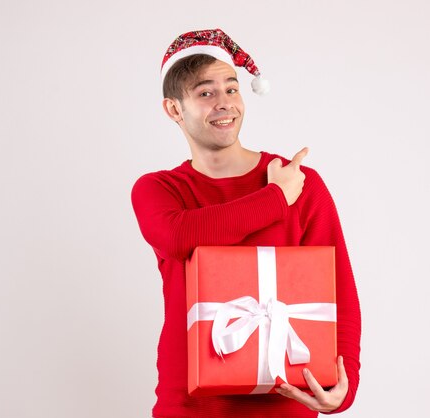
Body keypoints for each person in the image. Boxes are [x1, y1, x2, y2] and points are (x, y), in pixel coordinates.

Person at [131, 29, 361, 418]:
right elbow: (179, 237)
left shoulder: (299, 182)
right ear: (174, 109)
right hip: (189, 406)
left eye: (232, 89)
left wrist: (345, 383)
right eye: (205, 93)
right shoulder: (159, 189)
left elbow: (339, 290)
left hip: (284, 402)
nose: (224, 104)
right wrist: (274, 200)